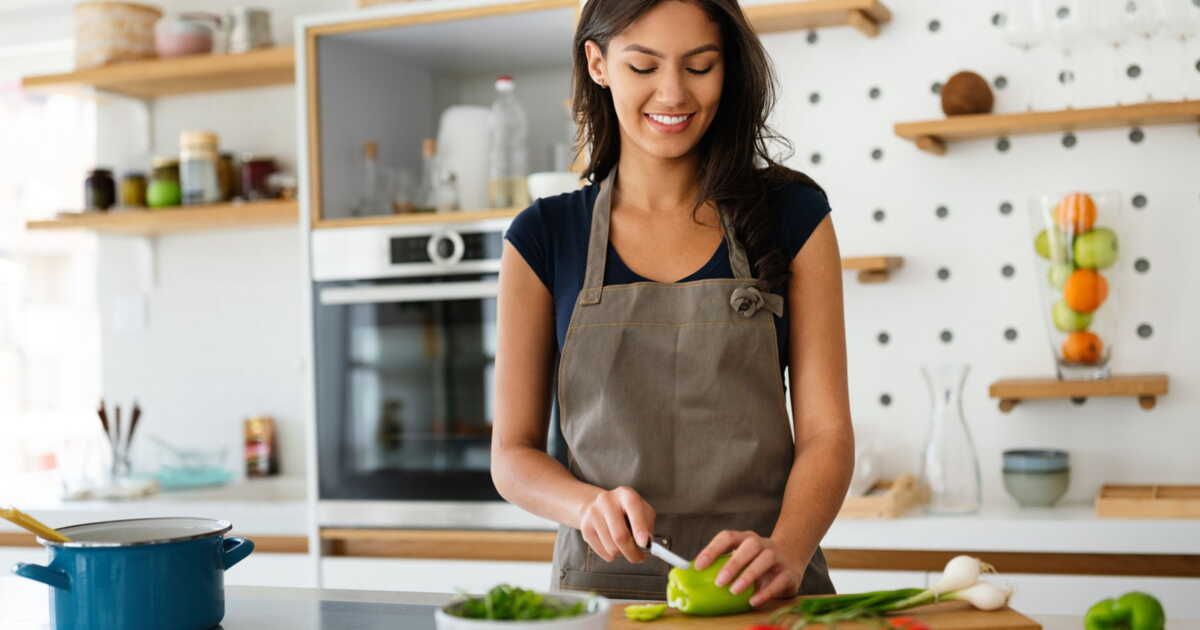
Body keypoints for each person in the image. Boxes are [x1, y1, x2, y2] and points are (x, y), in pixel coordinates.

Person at [490, 0, 853, 605]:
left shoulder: (795, 217)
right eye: (643, 67)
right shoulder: (543, 237)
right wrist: (587, 505)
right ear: (598, 64)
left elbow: (827, 433)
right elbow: (513, 455)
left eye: (700, 66)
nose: (673, 93)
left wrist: (787, 549)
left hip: (767, 590)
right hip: (604, 598)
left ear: (728, 68)